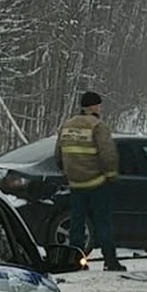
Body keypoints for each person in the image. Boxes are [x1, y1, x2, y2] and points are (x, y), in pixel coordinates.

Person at [55, 91, 126, 271]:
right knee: (103, 222)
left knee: (77, 223)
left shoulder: (67, 126)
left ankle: (75, 259)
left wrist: (67, 172)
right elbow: (108, 154)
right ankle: (110, 260)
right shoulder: (97, 126)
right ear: (94, 106)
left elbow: (58, 155)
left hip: (75, 184)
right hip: (97, 183)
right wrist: (111, 176)